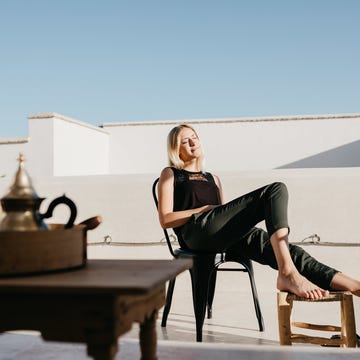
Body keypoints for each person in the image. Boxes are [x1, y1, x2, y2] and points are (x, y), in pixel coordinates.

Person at [157, 124, 360, 300]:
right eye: (185, 141)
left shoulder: (213, 178)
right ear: (176, 149)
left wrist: (224, 215)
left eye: (195, 137)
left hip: (222, 234)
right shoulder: (171, 174)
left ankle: (353, 285)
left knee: (291, 252)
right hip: (196, 235)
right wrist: (203, 210)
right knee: (275, 190)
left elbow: (225, 215)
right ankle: (287, 272)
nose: (193, 143)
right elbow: (165, 219)